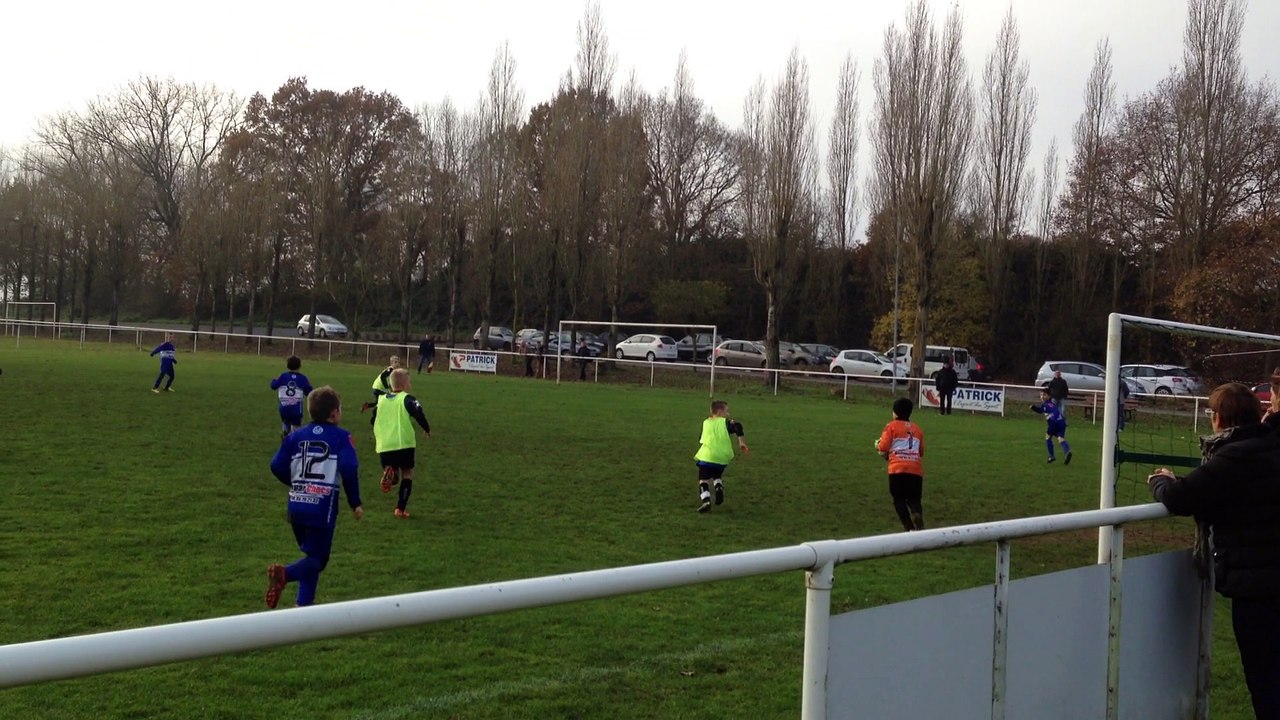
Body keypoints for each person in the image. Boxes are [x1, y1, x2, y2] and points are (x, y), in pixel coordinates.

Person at [1148, 382, 1280, 718]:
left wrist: (1162, 482)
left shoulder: (1236, 455)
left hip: (1260, 591)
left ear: (1219, 419)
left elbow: (1183, 497)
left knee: (1266, 683)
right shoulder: (1268, 445)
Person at [265, 386, 362, 609]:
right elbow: (349, 468)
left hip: (296, 505)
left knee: (311, 555)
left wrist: (299, 483)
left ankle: (304, 605)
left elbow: (276, 465)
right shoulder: (342, 437)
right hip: (322, 506)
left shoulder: (295, 436)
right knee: (318, 560)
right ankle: (284, 575)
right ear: (334, 413)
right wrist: (355, 502)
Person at [371, 368, 432, 518]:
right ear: (404, 384)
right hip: (403, 443)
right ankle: (400, 509)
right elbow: (418, 413)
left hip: (384, 445)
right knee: (407, 473)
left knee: (394, 468)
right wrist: (426, 428)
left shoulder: (381, 400)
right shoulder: (407, 399)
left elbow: (373, 420)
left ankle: (390, 472)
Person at [876, 397, 926, 531]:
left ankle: (908, 527)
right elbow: (921, 451)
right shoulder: (917, 429)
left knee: (898, 499)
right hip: (915, 470)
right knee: (914, 499)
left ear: (895, 413)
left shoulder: (891, 427)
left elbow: (883, 447)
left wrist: (878, 445)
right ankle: (917, 514)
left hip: (897, 469)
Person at [694, 400, 749, 513]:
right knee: (716, 473)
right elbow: (737, 427)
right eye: (727, 411)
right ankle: (718, 486)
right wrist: (741, 442)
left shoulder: (706, 423)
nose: (728, 414)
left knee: (703, 480)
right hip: (723, 458)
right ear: (720, 412)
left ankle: (706, 501)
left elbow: (701, 437)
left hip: (707, 457)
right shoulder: (725, 423)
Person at [270, 355, 314, 441]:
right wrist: (309, 385)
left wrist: (275, 379)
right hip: (296, 408)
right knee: (296, 427)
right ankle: (293, 441)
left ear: (287, 366)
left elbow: (273, 386)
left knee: (285, 421)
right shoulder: (303, 378)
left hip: (284, 407)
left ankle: (285, 434)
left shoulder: (283, 376)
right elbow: (309, 392)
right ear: (300, 366)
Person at [1030, 389, 1072, 464]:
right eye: (1041, 395)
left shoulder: (1047, 405)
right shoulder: (1049, 404)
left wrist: (1052, 418)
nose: (1042, 396)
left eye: (1044, 395)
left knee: (1048, 437)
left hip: (1054, 423)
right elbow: (1040, 410)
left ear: (1049, 396)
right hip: (1061, 423)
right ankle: (1067, 452)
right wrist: (1034, 408)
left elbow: (1055, 412)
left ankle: (1051, 456)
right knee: (1060, 438)